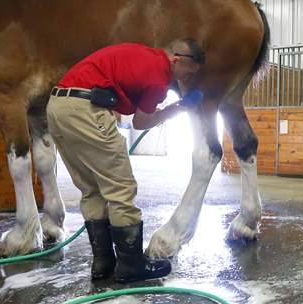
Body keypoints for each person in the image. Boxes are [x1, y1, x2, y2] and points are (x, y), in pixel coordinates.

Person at [46, 39, 205, 282]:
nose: (184, 79)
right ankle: (131, 265)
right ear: (177, 59)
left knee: (90, 188)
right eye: (187, 72)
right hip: (86, 110)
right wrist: (181, 106)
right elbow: (141, 123)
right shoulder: (159, 76)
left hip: (57, 106)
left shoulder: (140, 53)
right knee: (121, 188)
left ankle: (103, 262)